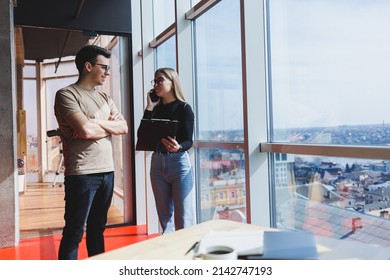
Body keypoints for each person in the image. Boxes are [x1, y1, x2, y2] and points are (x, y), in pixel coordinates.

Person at [54, 45, 128, 260]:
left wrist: (95, 123)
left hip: (108, 172)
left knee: (98, 229)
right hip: (82, 174)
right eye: (104, 67)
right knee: (74, 232)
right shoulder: (66, 94)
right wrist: (104, 125)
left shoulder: (105, 98)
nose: (107, 72)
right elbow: (84, 130)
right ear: (88, 66)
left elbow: (123, 127)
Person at [140, 67, 195, 234]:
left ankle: (187, 256)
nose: (156, 84)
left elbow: (188, 141)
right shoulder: (154, 108)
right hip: (157, 164)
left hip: (178, 165)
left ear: (173, 82)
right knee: (165, 219)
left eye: (160, 80)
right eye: (154, 81)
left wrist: (179, 147)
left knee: (184, 219)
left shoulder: (184, 108)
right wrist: (148, 108)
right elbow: (141, 135)